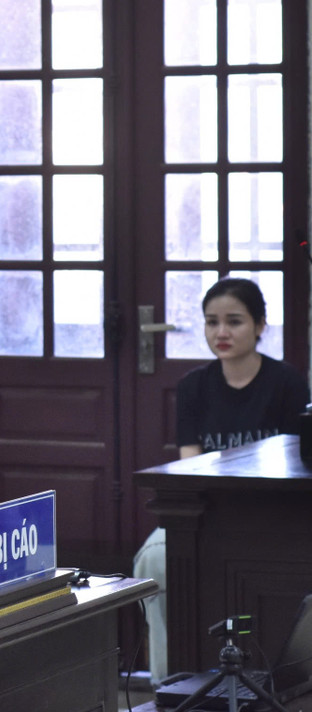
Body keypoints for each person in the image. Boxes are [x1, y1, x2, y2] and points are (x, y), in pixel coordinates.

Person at [133, 277, 310, 684]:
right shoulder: (193, 386)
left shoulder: (287, 383)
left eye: (234, 321)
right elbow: (191, 466)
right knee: (154, 558)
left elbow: (295, 467)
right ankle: (168, 684)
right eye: (212, 322)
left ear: (260, 325)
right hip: (207, 511)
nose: (221, 332)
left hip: (272, 511)